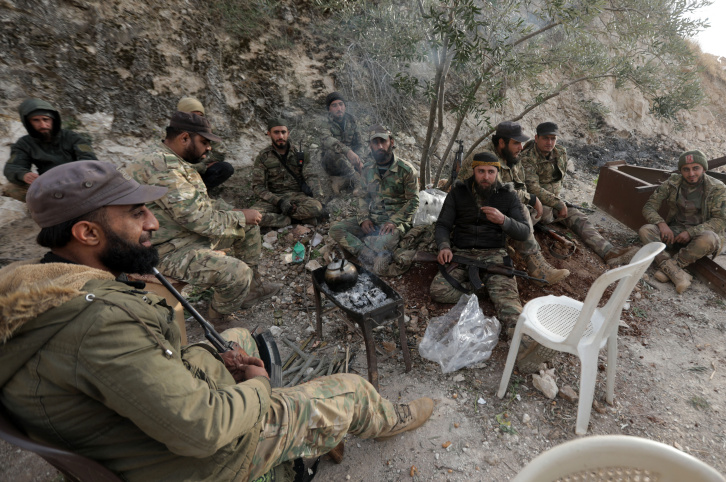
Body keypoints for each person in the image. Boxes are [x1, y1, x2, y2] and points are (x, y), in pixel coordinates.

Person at [0, 160, 434, 482]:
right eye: (135, 213)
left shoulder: (41, 291)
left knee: (236, 337)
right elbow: (202, 431)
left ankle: (306, 429)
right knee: (352, 390)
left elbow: (143, 369)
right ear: (87, 234)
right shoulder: (100, 322)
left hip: (129, 434)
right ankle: (380, 419)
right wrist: (258, 386)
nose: (152, 222)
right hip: (197, 461)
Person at [124, 111, 278, 324]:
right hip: (163, 251)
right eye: (204, 142)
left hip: (182, 236)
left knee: (247, 227)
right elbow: (198, 219)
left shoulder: (169, 159)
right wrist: (239, 217)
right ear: (184, 138)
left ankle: (251, 290)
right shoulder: (162, 166)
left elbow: (198, 206)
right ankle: (218, 319)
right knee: (237, 271)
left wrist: (236, 215)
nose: (209, 148)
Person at [431, 153, 557, 373]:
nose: (486, 177)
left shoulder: (508, 195)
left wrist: (503, 220)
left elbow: (524, 231)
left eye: (491, 172)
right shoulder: (458, 192)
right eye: (481, 171)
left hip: (494, 255)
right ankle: (485, 290)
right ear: (473, 171)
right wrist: (444, 246)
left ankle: (526, 343)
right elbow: (442, 224)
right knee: (438, 291)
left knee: (509, 304)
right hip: (461, 254)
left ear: (497, 172)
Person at [457, 121, 569, 284]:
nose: (521, 147)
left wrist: (531, 199)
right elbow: (496, 191)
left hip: (495, 210)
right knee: (521, 208)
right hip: (473, 212)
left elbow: (520, 185)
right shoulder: (485, 158)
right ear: (502, 142)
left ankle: (506, 241)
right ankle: (538, 268)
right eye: (516, 143)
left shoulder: (510, 157)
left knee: (537, 211)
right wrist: (530, 198)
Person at [520, 121, 638, 266]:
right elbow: (532, 188)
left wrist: (558, 202)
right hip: (536, 204)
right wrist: (557, 203)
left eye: (553, 138)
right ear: (536, 138)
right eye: (545, 138)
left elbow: (558, 180)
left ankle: (609, 252)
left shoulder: (560, 152)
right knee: (536, 218)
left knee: (580, 218)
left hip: (554, 202)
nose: (549, 142)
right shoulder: (527, 157)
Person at [329, 125, 419, 273]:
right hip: (374, 218)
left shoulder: (406, 170)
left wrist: (394, 221)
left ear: (391, 142)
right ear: (370, 145)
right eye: (375, 142)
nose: (380, 146)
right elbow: (363, 197)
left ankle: (372, 247)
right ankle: (366, 254)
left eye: (383, 141)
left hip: (397, 222)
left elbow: (413, 201)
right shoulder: (367, 169)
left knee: (384, 242)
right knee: (336, 229)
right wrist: (363, 218)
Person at [638, 150, 726, 293]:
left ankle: (674, 264)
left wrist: (691, 232)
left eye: (696, 168)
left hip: (701, 235)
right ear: (681, 171)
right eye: (686, 169)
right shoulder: (673, 183)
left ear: (704, 169)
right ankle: (674, 271)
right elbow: (649, 206)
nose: (691, 173)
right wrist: (661, 224)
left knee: (709, 239)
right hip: (676, 231)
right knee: (645, 230)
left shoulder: (718, 188)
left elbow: (721, 220)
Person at [2, 98, 97, 202]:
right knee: (11, 187)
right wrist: (24, 175)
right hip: (48, 186)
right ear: (28, 123)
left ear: (53, 120)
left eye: (46, 119)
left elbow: (89, 160)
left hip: (78, 182)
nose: (43, 125)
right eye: (36, 120)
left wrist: (74, 177)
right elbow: (13, 167)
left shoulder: (73, 137)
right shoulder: (24, 144)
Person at [250, 118, 323, 227]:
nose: (280, 136)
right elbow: (257, 186)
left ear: (288, 133)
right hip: (274, 199)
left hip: (298, 197)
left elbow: (311, 177)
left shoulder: (300, 153)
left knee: (316, 207)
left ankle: (279, 219)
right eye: (276, 132)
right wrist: (279, 202)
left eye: (283, 132)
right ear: (269, 134)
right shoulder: (263, 157)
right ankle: (290, 220)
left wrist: (319, 198)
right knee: (252, 215)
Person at [176, 96, 235, 192]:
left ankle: (201, 192)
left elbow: (220, 152)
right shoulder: (173, 132)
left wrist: (203, 165)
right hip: (181, 171)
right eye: (192, 115)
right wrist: (193, 167)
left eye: (200, 115)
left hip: (201, 168)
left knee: (225, 168)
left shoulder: (207, 129)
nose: (197, 119)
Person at [319, 91, 363, 194]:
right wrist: (348, 152)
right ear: (329, 109)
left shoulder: (352, 120)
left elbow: (360, 144)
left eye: (341, 104)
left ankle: (351, 178)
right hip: (332, 163)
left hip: (351, 161)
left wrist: (359, 160)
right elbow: (327, 140)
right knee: (332, 152)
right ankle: (357, 180)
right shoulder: (324, 123)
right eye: (334, 105)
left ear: (345, 106)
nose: (339, 108)